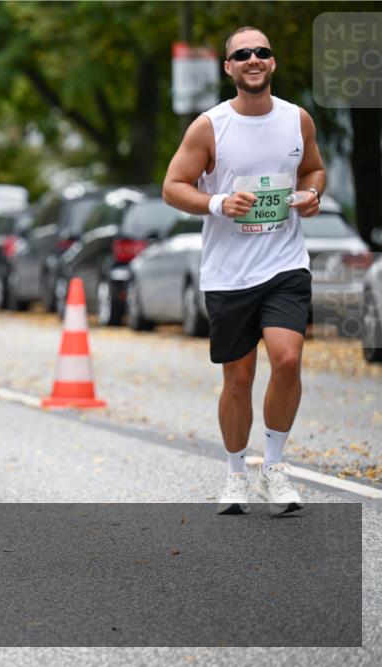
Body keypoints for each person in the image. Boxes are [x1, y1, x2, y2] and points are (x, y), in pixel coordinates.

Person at [162, 26, 325, 516]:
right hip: (229, 273)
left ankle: (273, 467)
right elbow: (173, 186)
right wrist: (217, 202)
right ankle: (235, 473)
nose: (253, 59)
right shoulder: (209, 127)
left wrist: (314, 195)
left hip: (284, 264)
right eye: (242, 55)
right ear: (229, 68)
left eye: (262, 53)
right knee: (238, 379)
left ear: (272, 64)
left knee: (288, 359)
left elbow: (314, 170)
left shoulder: (297, 120)